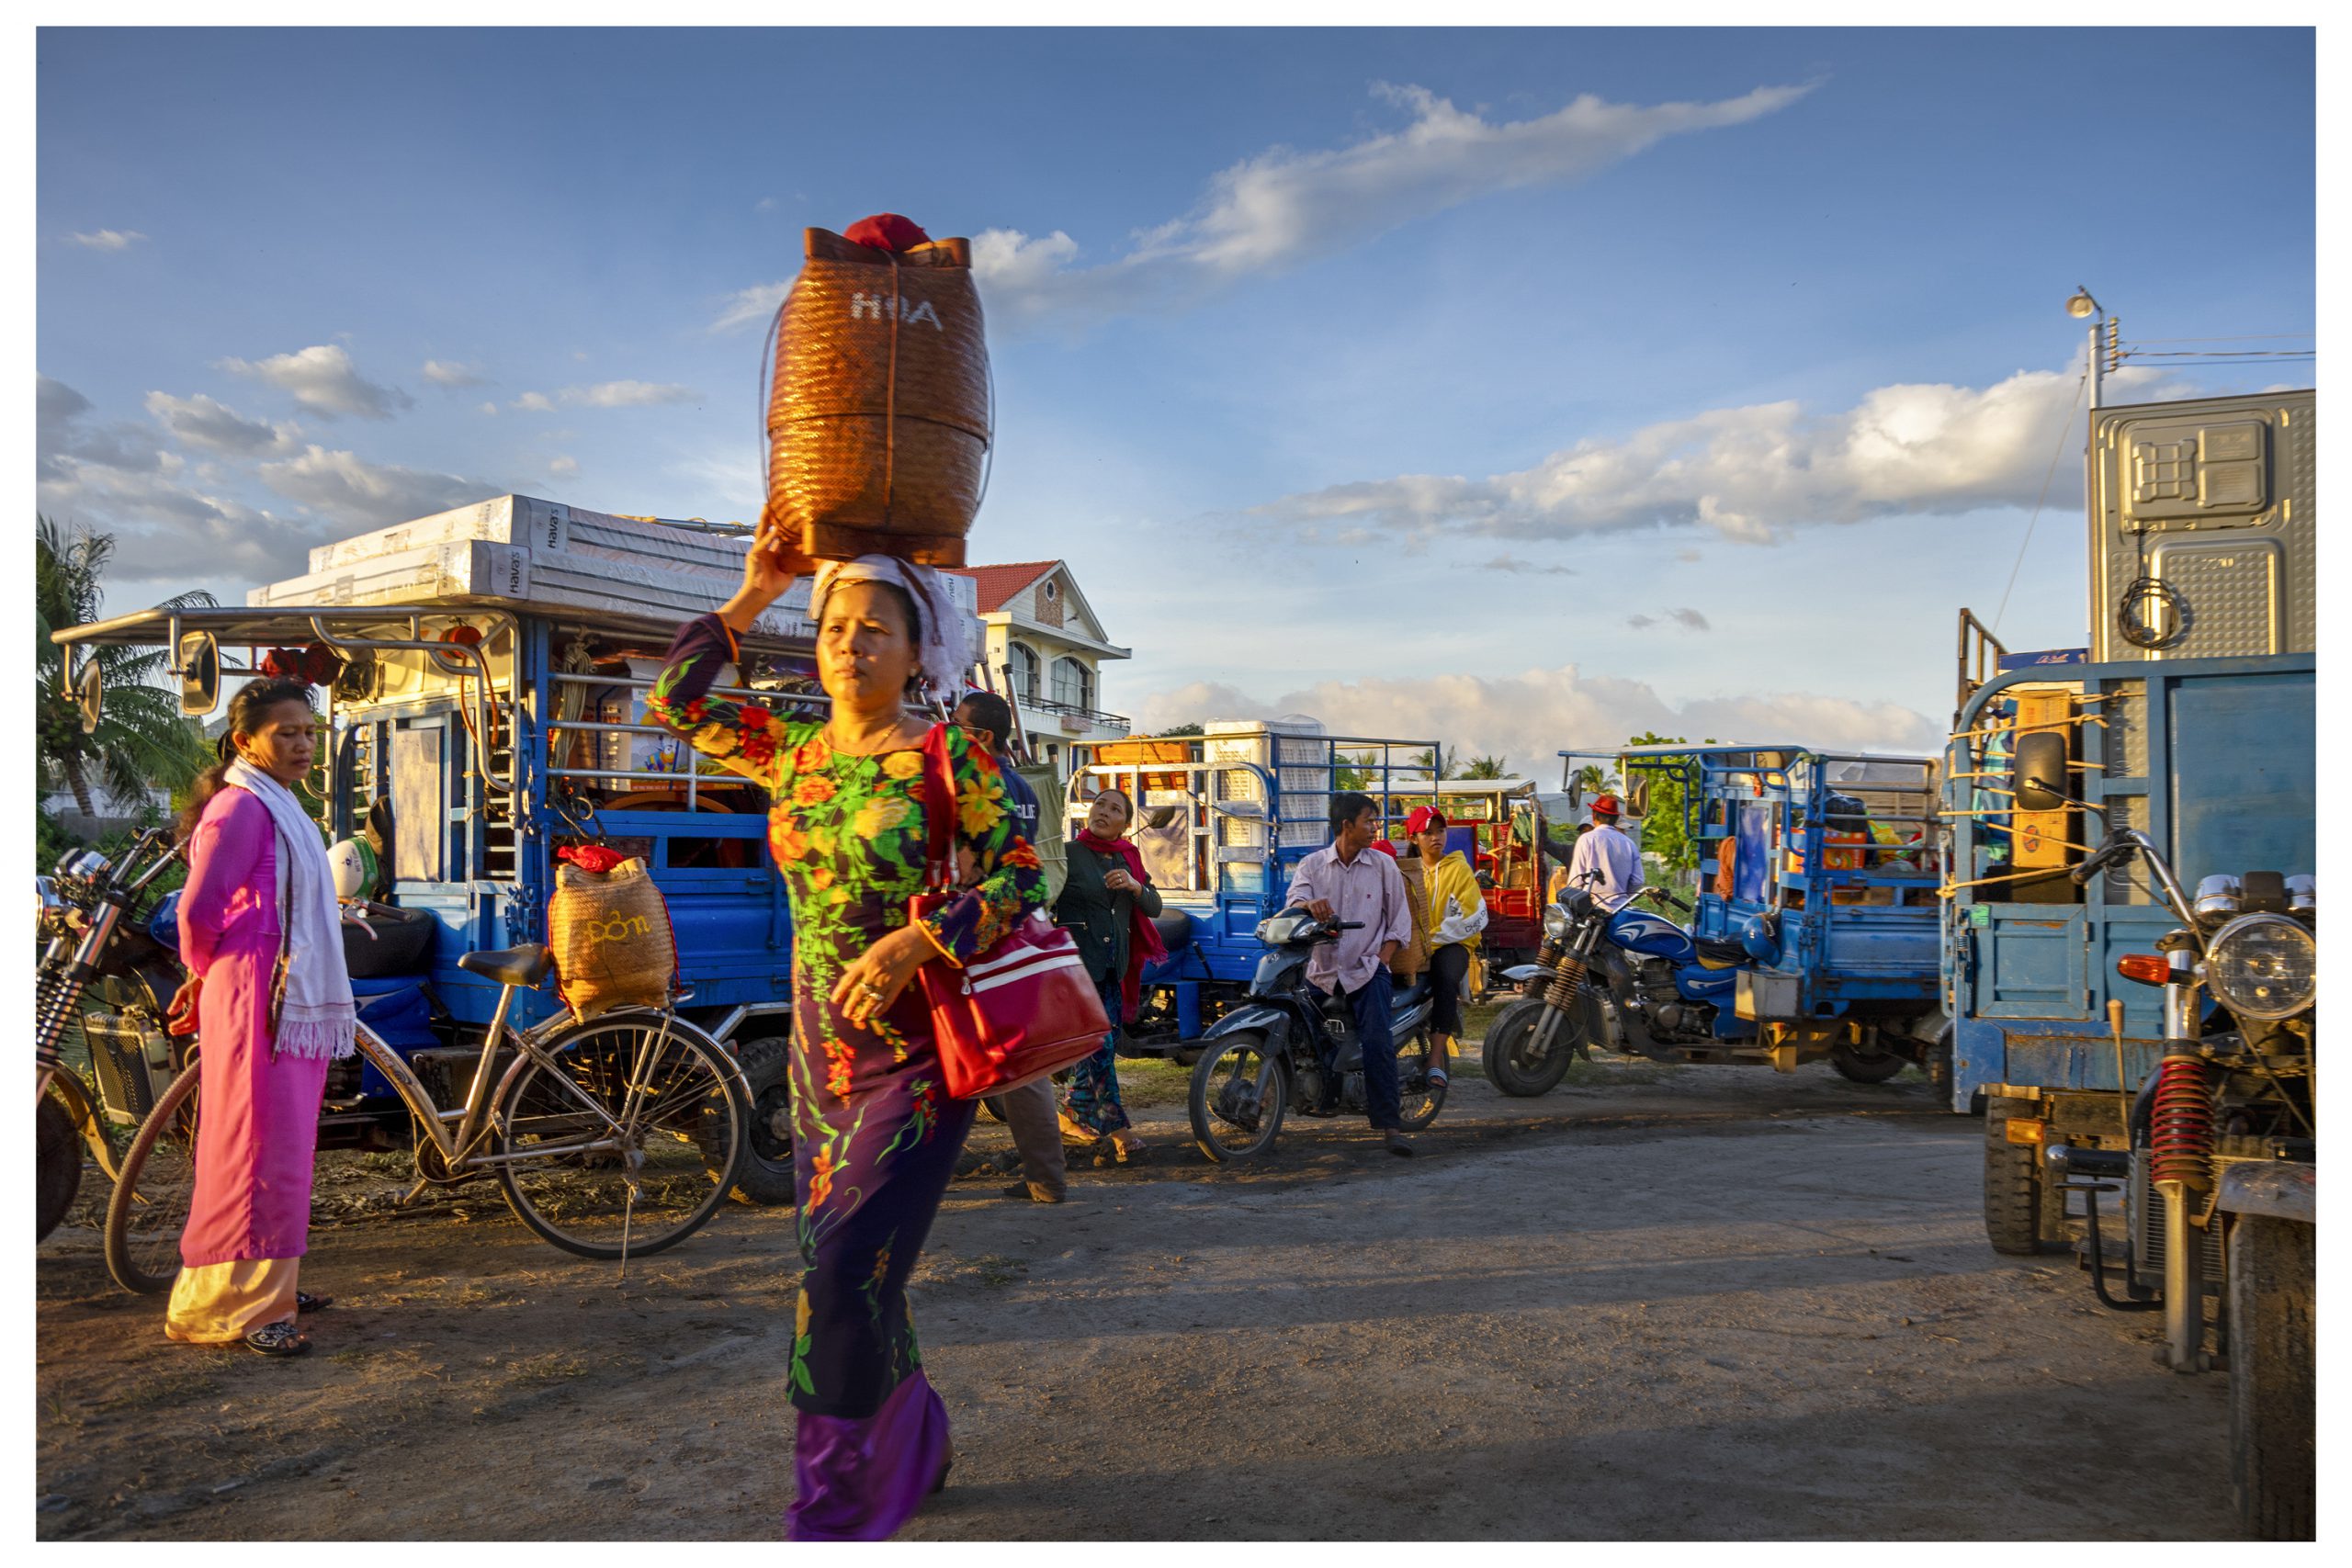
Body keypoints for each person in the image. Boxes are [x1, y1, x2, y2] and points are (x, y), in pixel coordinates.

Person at [648, 530, 1044, 1542]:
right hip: (821, 1063)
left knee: (835, 1274)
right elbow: (677, 702)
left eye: (876, 629)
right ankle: (919, 1440)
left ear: (920, 653)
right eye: (832, 628)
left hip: (917, 1057)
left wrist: (921, 937)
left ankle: (832, 1514)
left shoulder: (949, 751)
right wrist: (754, 591)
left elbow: (1020, 874)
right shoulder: (790, 753)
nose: (850, 645)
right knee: (861, 1271)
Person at [164, 678, 356, 1357]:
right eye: (287, 733)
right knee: (252, 1150)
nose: (303, 743)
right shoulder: (240, 808)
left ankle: (273, 1280)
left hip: (282, 998)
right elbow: (196, 914)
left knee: (282, 1148)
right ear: (246, 741)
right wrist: (207, 973)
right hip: (257, 999)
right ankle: (237, 1307)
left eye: (309, 731)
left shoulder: (279, 805)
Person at [950, 690, 1066, 1205]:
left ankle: (919, 1174)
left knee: (951, 1050)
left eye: (960, 727)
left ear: (983, 737)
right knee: (1022, 1062)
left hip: (974, 925)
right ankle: (1046, 1178)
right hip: (1015, 924)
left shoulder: (974, 781)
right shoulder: (1022, 785)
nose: (952, 735)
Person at [1283, 792, 1416, 1156]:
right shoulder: (1312, 866)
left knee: (1377, 1042)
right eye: (1369, 821)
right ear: (1346, 826)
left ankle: (1391, 1126)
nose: (1375, 828)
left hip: (1366, 969)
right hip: (1320, 971)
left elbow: (1399, 923)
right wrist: (1309, 905)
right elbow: (1293, 904)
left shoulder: (1384, 866)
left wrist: (1382, 960)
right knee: (1294, 1033)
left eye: (1375, 821)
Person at [1054, 786, 1163, 1162]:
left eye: (1114, 808)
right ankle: (1120, 1131)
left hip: (1114, 968)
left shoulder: (1129, 858)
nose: (1103, 811)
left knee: (1101, 1050)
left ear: (1125, 824)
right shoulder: (1068, 855)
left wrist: (1135, 886)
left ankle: (1070, 1115)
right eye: (1099, 804)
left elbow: (1155, 907)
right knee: (1100, 1048)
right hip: (1077, 969)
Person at [1405, 806, 1486, 1089]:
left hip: (1453, 942)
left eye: (1440, 831)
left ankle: (1435, 1058)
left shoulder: (1458, 868)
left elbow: (1474, 914)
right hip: (1412, 944)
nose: (1436, 837)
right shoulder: (1404, 871)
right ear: (1414, 838)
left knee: (1446, 978)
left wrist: (1434, 938)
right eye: (1428, 833)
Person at [1566, 793, 1646, 911]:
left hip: (1592, 910)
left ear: (1594, 816)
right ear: (1615, 819)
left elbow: (1576, 880)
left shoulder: (1587, 839)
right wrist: (1622, 897)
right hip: (1620, 910)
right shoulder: (1629, 843)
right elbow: (1637, 881)